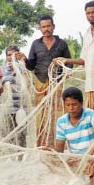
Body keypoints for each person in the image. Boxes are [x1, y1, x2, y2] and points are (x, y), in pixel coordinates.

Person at [54, 1, 94, 123]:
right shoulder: (87, 33)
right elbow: (83, 60)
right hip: (90, 85)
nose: (91, 15)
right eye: (88, 13)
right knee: (92, 122)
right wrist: (66, 60)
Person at [24, 15, 72, 148]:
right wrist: (23, 60)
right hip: (40, 83)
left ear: (53, 27)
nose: (46, 29)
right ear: (40, 29)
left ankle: (56, 146)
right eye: (43, 27)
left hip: (56, 83)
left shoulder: (61, 43)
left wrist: (67, 72)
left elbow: (69, 62)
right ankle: (42, 145)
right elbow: (31, 66)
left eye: (48, 26)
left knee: (56, 113)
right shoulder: (35, 44)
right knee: (41, 115)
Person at [54, 87, 94, 185]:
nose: (71, 108)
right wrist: (57, 158)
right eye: (68, 105)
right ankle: (85, 176)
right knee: (45, 157)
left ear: (81, 103)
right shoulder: (61, 121)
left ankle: (92, 183)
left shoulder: (90, 115)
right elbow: (59, 147)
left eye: (74, 104)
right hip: (78, 159)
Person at [1, 45, 28, 146]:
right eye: (9, 55)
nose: (11, 57)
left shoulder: (22, 67)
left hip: (22, 108)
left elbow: (26, 79)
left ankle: (21, 158)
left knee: (21, 135)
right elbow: (2, 85)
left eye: (14, 54)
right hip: (8, 108)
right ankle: (10, 158)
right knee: (9, 135)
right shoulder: (3, 69)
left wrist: (23, 61)